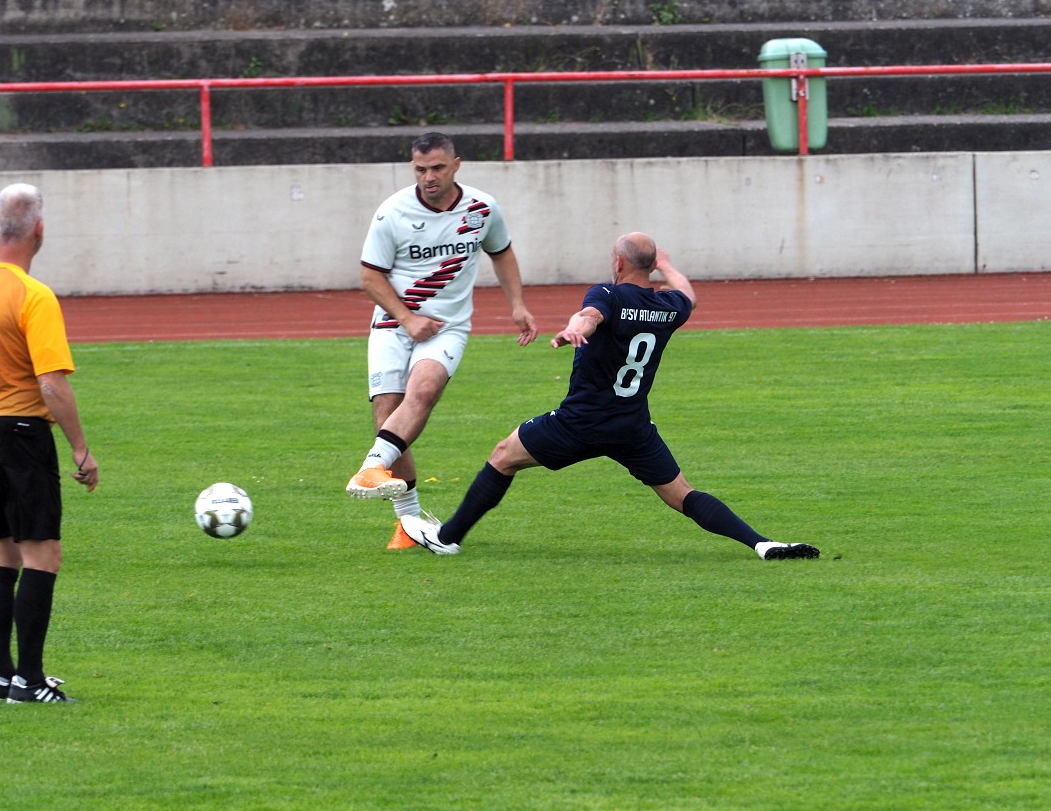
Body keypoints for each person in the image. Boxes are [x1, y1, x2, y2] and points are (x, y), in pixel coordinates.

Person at [400, 231, 820, 561]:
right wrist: (667, 266)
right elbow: (689, 295)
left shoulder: (608, 293)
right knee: (683, 495)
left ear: (618, 263)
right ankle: (762, 544)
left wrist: (575, 329)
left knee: (503, 456)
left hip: (580, 422)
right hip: (632, 427)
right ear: (650, 267)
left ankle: (448, 538)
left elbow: (590, 316)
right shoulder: (669, 306)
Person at [345, 131, 539, 549]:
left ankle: (371, 466)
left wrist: (518, 305)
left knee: (424, 390)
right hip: (392, 325)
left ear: (456, 165)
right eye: (420, 170)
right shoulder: (392, 213)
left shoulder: (482, 208)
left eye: (436, 168)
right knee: (387, 417)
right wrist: (407, 318)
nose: (428, 177)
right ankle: (408, 522)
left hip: (447, 327)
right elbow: (369, 277)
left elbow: (501, 252)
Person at [0, 183, 99, 704]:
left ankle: (2, 676)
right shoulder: (33, 295)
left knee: (2, 551)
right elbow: (50, 382)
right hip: (19, 432)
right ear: (39, 229)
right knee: (43, 554)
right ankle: (30, 682)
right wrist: (80, 448)